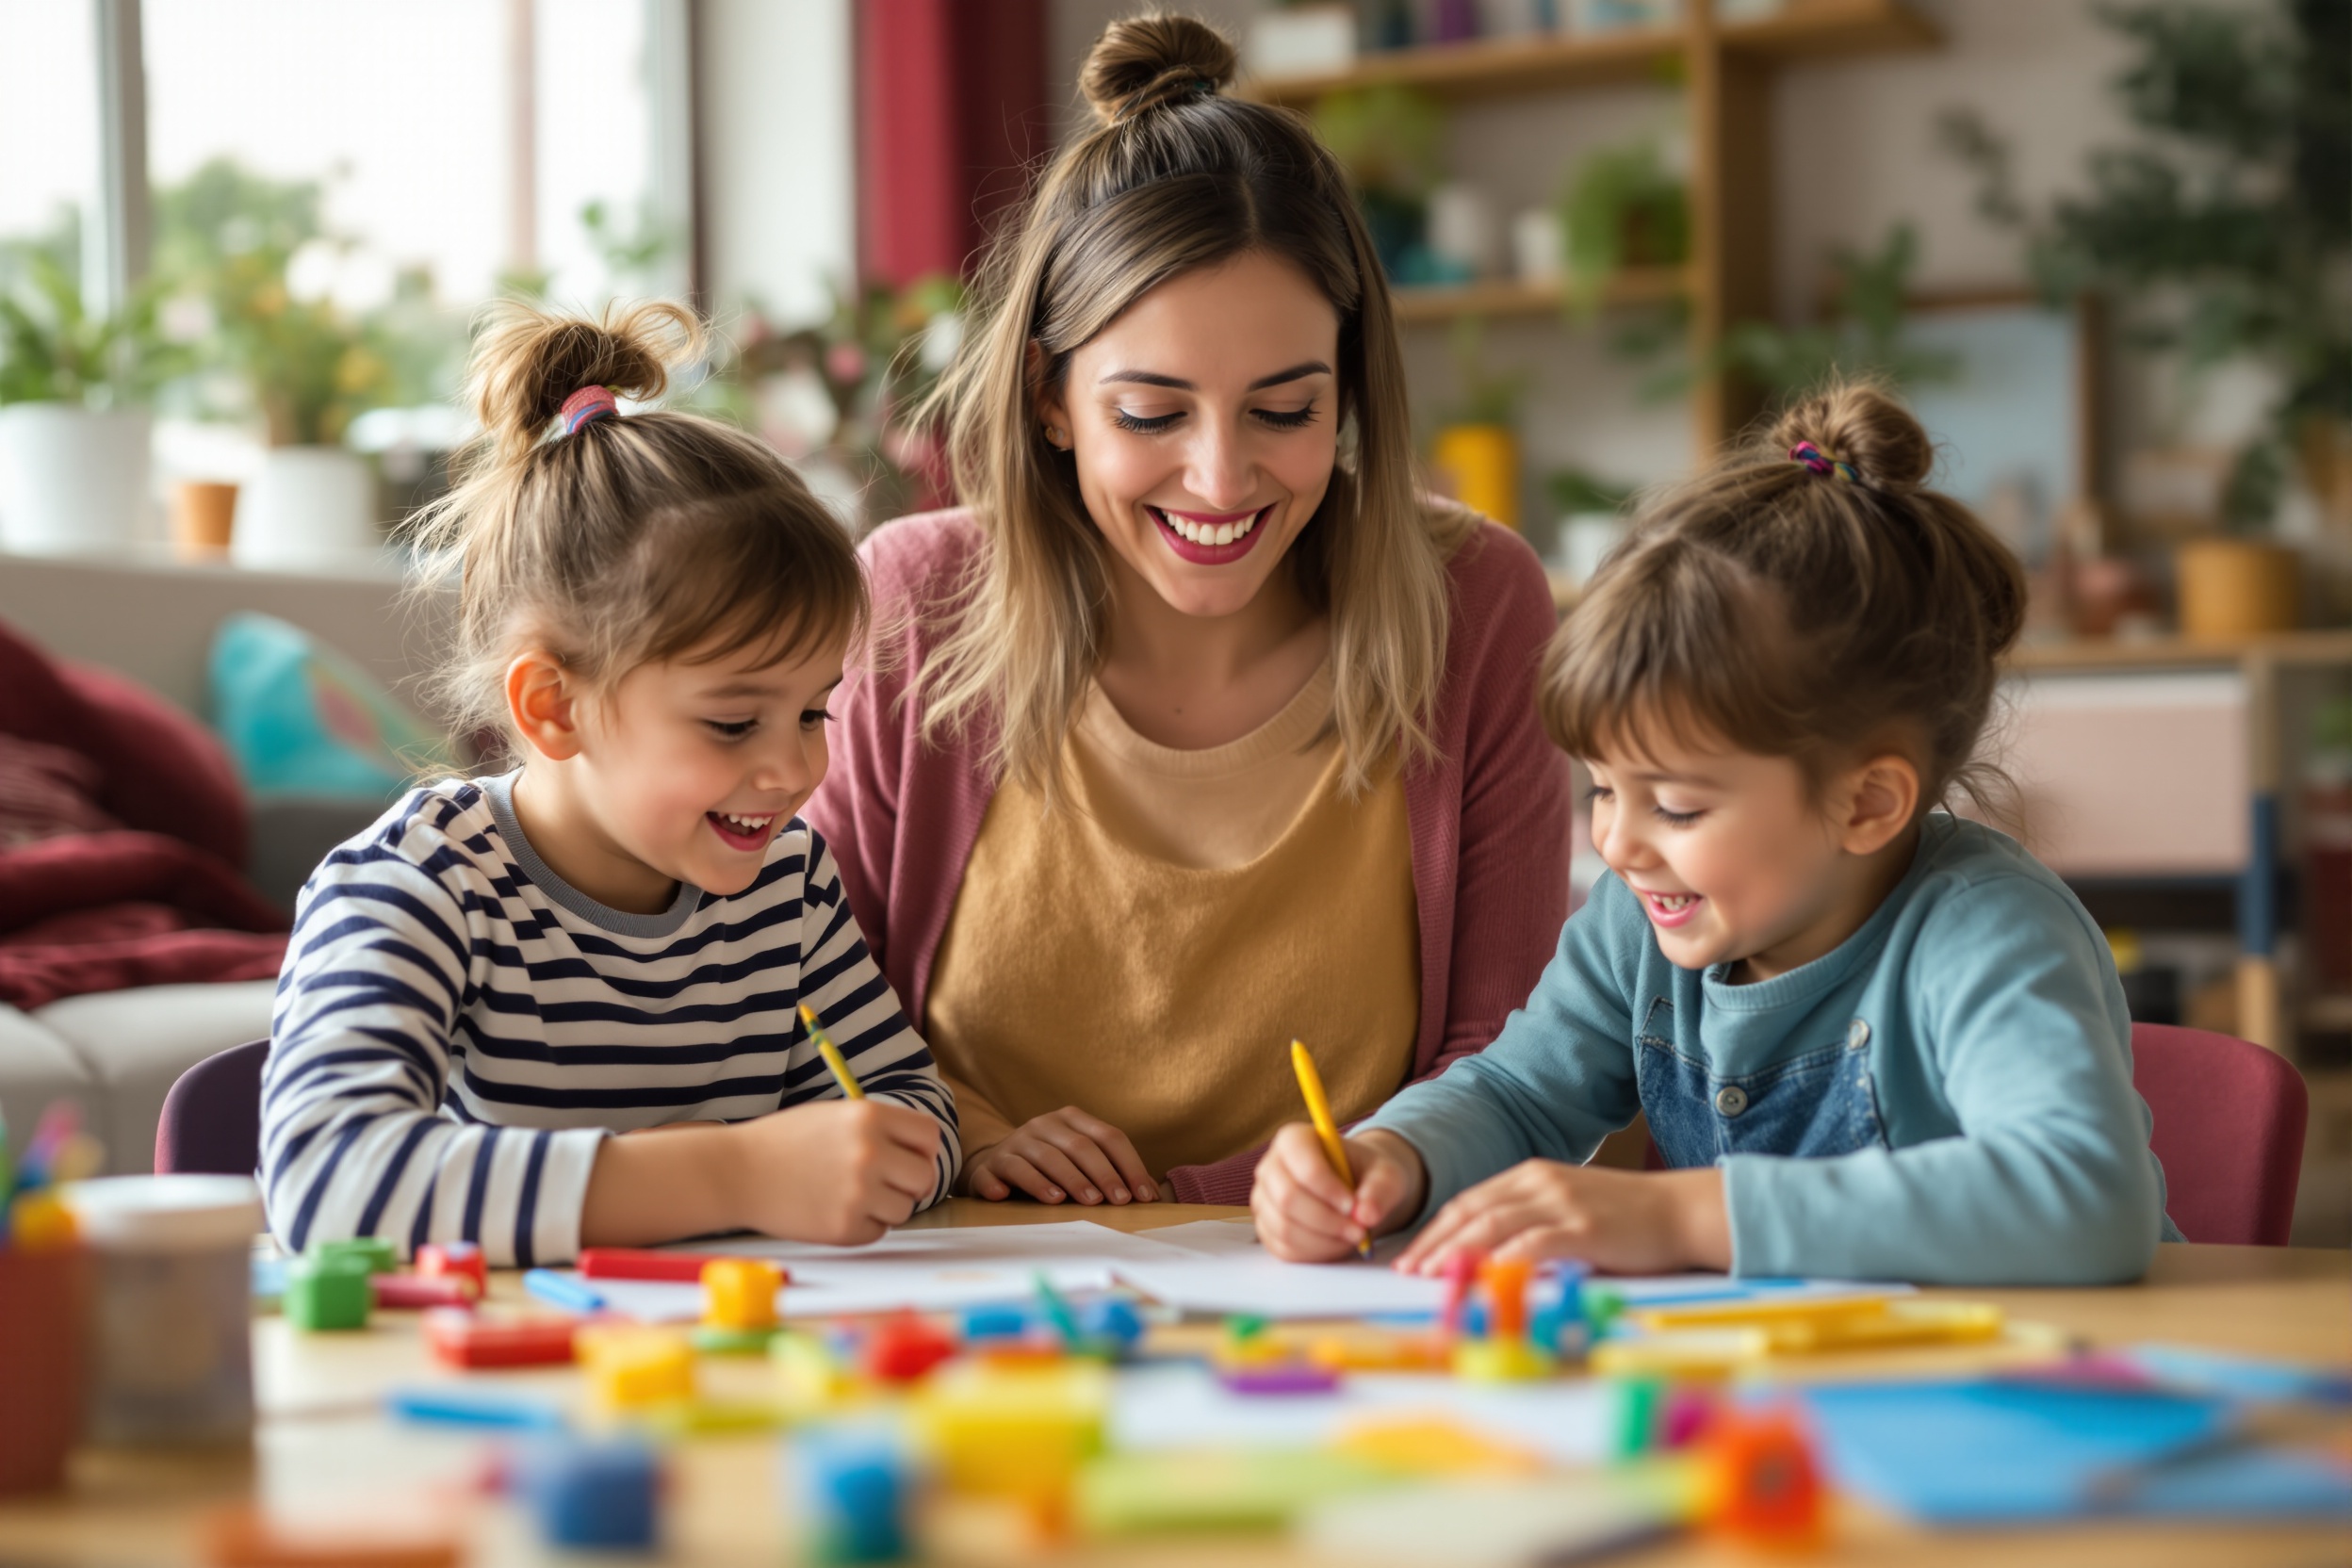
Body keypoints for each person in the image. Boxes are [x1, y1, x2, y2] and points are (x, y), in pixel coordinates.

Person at [806, 14, 1571, 1208]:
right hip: (973, 1268)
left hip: (1335, 1274)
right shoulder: (912, 602)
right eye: (1152, 414)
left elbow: (1513, 1066)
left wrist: (1327, 1179)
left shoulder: (1475, 601)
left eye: (1284, 410)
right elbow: (793, 1008)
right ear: (1050, 398)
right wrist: (962, 1129)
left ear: (1347, 392)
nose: (1220, 479)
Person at [1252, 383, 2179, 1285]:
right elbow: (1517, 1094)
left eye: (1678, 807)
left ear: (1867, 804)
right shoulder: (1639, 922)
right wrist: (1392, 1157)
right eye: (1604, 789)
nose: (1618, 846)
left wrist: (1684, 1216)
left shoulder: (1985, 931)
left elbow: (2088, 1194)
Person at [259, 301, 958, 1266]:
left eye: (812, 712)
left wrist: (885, 1153)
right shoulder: (420, 884)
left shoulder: (787, 884)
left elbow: (915, 1111)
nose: (795, 770)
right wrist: (728, 1174)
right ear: (554, 707)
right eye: (732, 722)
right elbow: (326, 1181)